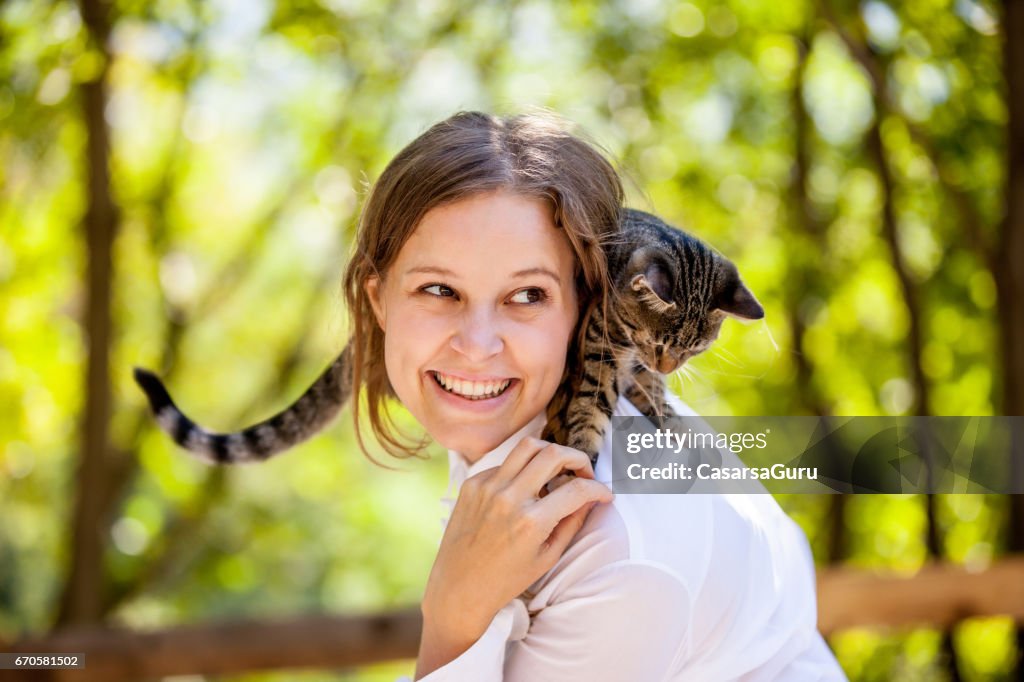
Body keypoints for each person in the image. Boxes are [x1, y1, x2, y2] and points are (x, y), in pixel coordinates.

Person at [341, 111, 847, 680]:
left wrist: (451, 619)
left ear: (587, 304)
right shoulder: (523, 431)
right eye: (439, 289)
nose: (478, 346)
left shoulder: (617, 553)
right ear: (380, 301)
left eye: (528, 294)